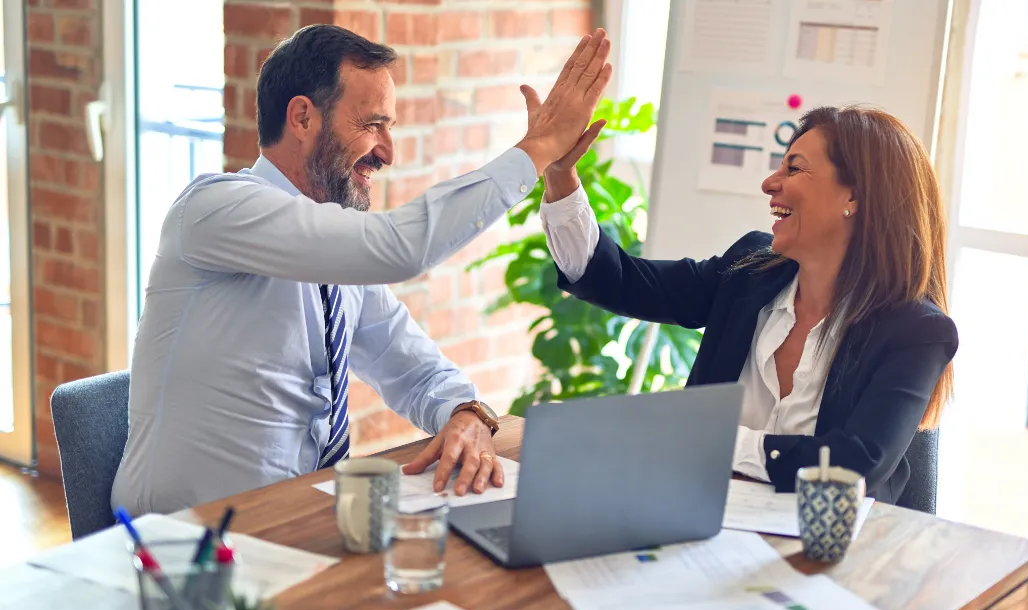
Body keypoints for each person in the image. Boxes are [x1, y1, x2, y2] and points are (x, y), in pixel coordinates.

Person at [111, 24, 613, 515]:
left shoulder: (335, 256)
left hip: (295, 523)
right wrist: (538, 149)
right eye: (373, 125)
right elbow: (400, 248)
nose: (387, 152)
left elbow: (413, 367)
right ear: (302, 118)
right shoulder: (216, 209)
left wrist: (466, 412)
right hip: (181, 540)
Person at [538, 105, 957, 504]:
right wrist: (560, 174)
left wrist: (713, 440)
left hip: (830, 545)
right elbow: (619, 281)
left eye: (794, 168)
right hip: (700, 520)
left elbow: (855, 464)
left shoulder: (917, 332)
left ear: (855, 197)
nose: (770, 184)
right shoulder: (749, 272)